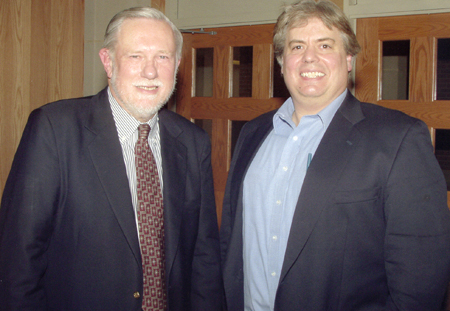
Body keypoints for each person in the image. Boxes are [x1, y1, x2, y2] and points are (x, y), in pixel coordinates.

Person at [220, 0, 450, 310]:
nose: (309, 58)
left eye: (325, 45)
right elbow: (231, 242)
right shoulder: (252, 134)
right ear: (281, 60)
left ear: (349, 59)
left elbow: (420, 281)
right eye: (297, 46)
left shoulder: (398, 139)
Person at [0, 7, 222, 311]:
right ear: (107, 61)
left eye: (162, 57)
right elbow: (18, 261)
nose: (150, 71)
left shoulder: (193, 142)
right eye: (135, 56)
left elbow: (204, 256)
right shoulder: (54, 129)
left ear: (178, 64)